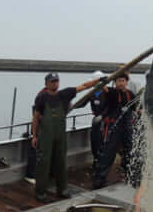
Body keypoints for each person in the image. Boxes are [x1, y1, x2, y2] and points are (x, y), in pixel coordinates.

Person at [32, 72, 101, 202]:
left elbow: (84, 86)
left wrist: (98, 81)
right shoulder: (41, 98)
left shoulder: (65, 94)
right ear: (46, 84)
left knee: (61, 162)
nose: (55, 83)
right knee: (43, 163)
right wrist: (34, 136)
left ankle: (62, 190)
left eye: (56, 81)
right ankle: (40, 193)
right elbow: (36, 117)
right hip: (45, 135)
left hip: (60, 135)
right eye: (52, 81)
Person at [92, 72, 141, 189]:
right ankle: (100, 178)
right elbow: (104, 89)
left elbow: (137, 109)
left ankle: (131, 175)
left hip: (127, 127)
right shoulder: (112, 93)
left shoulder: (131, 95)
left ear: (127, 82)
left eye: (123, 81)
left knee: (130, 151)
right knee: (109, 153)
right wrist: (103, 81)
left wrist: (142, 112)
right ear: (115, 82)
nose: (121, 83)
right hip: (114, 127)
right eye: (119, 81)